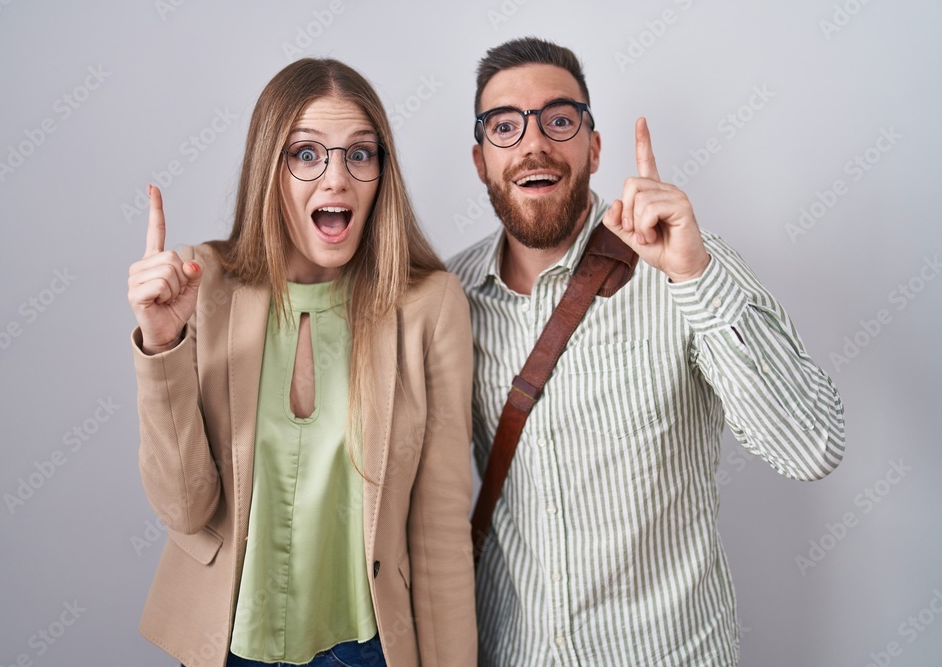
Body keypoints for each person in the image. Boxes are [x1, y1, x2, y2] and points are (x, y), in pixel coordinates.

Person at [446, 37, 845, 666]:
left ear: (594, 147)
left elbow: (812, 446)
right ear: (480, 159)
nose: (533, 143)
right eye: (504, 125)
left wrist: (694, 276)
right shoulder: (447, 300)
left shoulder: (683, 265)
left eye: (559, 119)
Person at [127, 58, 477, 667]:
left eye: (359, 155)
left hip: (367, 649)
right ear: (270, 167)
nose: (336, 179)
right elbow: (185, 509)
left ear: (380, 174)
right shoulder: (198, 285)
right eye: (307, 154)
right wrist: (162, 347)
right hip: (226, 644)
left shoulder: (430, 304)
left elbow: (441, 531)